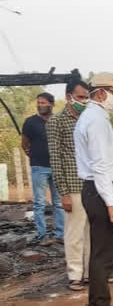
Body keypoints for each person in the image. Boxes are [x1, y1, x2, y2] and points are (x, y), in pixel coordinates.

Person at [73, 72, 113, 306]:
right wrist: (111, 203)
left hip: (104, 190)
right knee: (102, 253)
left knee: (105, 251)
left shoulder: (97, 118)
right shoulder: (95, 120)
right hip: (100, 192)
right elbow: (99, 165)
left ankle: (101, 304)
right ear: (101, 93)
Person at [47, 80, 91, 291]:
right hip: (73, 185)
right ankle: (75, 274)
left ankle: (93, 272)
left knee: (93, 231)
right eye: (80, 97)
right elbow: (55, 159)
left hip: (92, 184)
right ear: (68, 96)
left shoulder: (89, 119)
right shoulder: (56, 122)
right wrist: (63, 193)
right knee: (75, 232)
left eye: (86, 97)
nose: (84, 101)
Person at [22, 92, 65, 245]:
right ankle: (42, 235)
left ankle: (60, 234)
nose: (40, 105)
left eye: (43, 103)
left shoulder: (58, 120)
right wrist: (34, 156)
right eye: (39, 103)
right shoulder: (30, 122)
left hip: (57, 167)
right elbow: (25, 144)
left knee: (59, 202)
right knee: (39, 202)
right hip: (39, 167)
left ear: (52, 104)